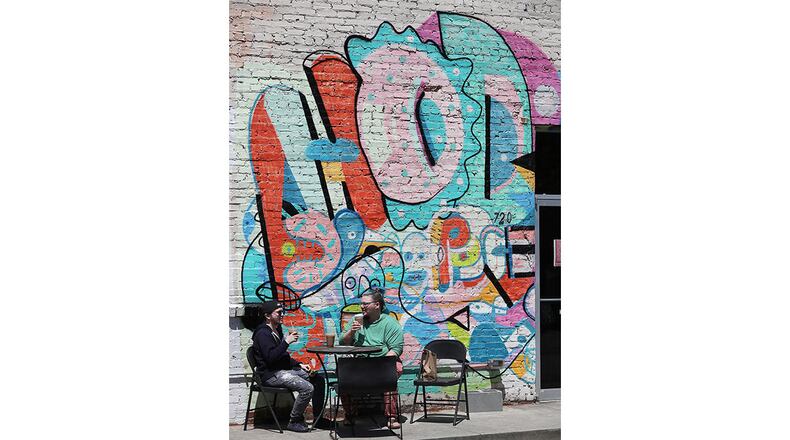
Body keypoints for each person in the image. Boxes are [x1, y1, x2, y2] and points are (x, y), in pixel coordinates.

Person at [251, 300, 325, 433]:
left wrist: (299, 364)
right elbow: (270, 359)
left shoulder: (276, 329)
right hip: (269, 375)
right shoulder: (263, 334)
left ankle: (318, 418)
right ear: (268, 316)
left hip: (281, 371)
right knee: (307, 388)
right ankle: (294, 420)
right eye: (278, 313)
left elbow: (282, 356)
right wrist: (286, 342)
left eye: (282, 312)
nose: (282, 315)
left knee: (317, 379)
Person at [340, 288, 404, 429]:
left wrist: (382, 366)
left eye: (365, 304)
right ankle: (350, 414)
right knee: (342, 373)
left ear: (377, 305)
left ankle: (391, 417)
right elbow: (342, 342)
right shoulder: (356, 320)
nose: (362, 306)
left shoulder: (389, 323)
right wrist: (352, 331)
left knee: (392, 372)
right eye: (361, 304)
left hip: (382, 362)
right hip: (360, 363)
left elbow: (396, 349)